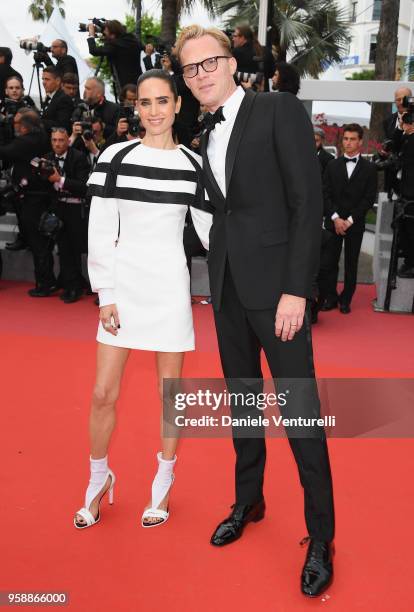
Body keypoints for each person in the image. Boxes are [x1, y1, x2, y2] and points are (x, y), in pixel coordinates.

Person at [176, 25, 335, 598]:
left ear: (230, 61)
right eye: (191, 69)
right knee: (244, 408)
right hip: (227, 293)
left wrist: (298, 289)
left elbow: (306, 202)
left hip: (279, 295)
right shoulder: (201, 134)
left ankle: (321, 537)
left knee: (300, 416)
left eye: (209, 62)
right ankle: (250, 500)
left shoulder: (276, 108)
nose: (201, 75)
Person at [73, 69, 212, 530]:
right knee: (101, 393)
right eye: (145, 103)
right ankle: (98, 478)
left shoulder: (194, 165)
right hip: (123, 290)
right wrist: (106, 293)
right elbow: (99, 229)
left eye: (162, 102)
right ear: (138, 108)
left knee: (169, 395)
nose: (153, 111)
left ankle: (165, 479)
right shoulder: (114, 156)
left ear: (177, 105)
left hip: (169, 289)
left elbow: (212, 235)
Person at [322, 124, 377, 313]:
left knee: (351, 263)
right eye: (345, 138)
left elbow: (369, 199)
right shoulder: (332, 165)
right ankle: (329, 297)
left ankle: (346, 299)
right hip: (333, 222)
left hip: (355, 223)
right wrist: (336, 218)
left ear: (360, 142)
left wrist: (350, 220)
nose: (348, 142)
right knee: (329, 262)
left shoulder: (370, 169)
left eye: (352, 139)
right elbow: (325, 194)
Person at [0, 109, 53, 296]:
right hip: (36, 195)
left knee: (38, 242)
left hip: (33, 198)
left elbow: (5, 152)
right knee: (40, 242)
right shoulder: (41, 137)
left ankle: (44, 284)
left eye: (15, 124)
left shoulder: (27, 141)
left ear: (23, 127)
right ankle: (46, 282)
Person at [45, 128, 90, 302]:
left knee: (72, 249)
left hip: (75, 210)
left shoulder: (78, 157)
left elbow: (83, 186)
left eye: (61, 140)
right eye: (54, 140)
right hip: (57, 209)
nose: (57, 143)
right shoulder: (47, 157)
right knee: (64, 249)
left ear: (68, 141)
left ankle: (74, 287)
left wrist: (60, 180)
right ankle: (72, 283)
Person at [87, 20, 143, 95]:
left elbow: (94, 51)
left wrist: (91, 35)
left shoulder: (115, 45)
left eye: (106, 32)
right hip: (140, 82)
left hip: (125, 87)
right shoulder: (132, 41)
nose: (104, 34)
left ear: (113, 33)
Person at [41, 66, 74, 134]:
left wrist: (38, 121)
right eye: (43, 79)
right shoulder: (50, 97)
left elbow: (62, 126)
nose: (43, 82)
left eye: (47, 79)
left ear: (58, 81)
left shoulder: (64, 99)